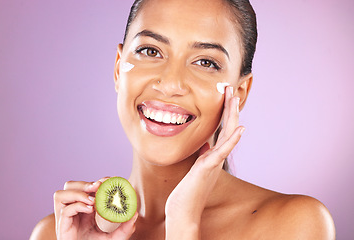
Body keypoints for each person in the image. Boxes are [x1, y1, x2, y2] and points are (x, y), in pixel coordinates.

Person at [30, 0, 336, 239]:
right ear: (118, 69)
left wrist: (183, 222)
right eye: (151, 50)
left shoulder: (293, 225)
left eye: (205, 62)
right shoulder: (56, 233)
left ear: (240, 93)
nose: (171, 83)